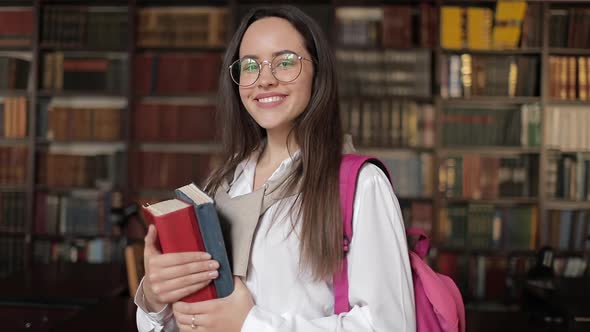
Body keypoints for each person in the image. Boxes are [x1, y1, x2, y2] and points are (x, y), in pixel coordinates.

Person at [135, 5, 415, 332]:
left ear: (318, 72)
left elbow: (391, 326)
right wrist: (156, 301)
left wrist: (250, 324)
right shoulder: (223, 183)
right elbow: (194, 318)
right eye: (250, 66)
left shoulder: (361, 185)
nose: (265, 80)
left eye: (285, 63)